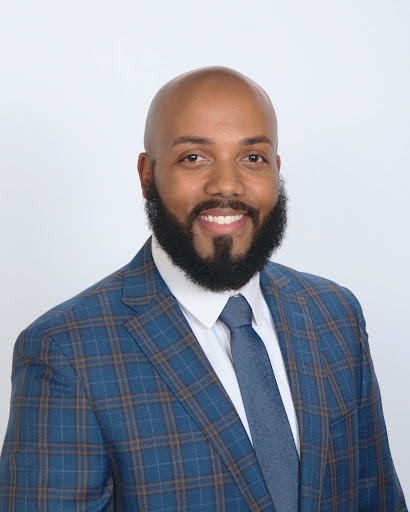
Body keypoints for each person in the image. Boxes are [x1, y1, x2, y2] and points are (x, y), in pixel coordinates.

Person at [0, 67, 406, 512]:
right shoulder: (66, 351)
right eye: (194, 157)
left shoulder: (335, 315)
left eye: (253, 158)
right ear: (147, 175)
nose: (227, 185)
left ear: (276, 170)